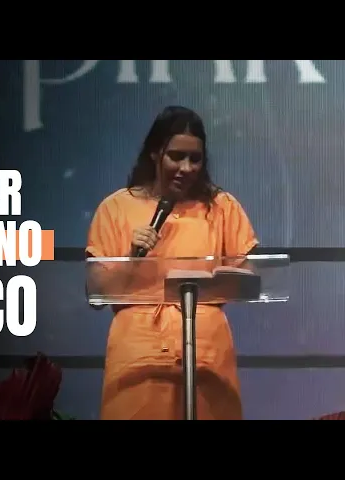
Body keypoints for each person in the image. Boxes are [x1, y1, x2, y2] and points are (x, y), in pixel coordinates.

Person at [85, 105, 259, 420]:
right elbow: (97, 292)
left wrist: (220, 279)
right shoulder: (115, 208)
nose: (186, 168)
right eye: (176, 157)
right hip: (138, 362)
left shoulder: (222, 207)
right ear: (155, 153)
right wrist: (131, 258)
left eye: (195, 159)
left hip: (207, 359)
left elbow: (250, 277)